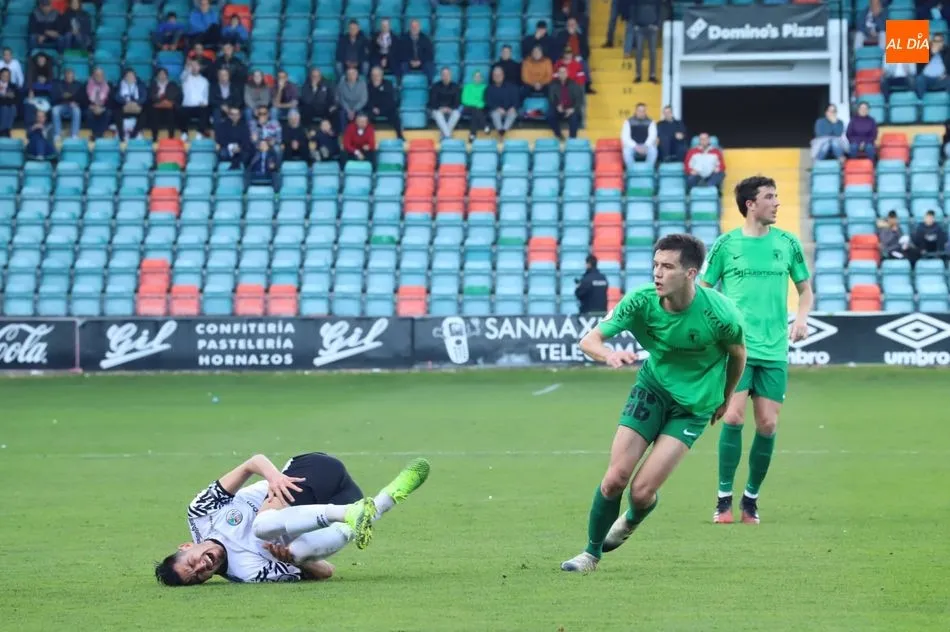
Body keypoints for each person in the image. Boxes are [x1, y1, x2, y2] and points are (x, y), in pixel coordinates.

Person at [560, 234, 747, 573]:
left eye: (668, 267)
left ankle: (633, 517)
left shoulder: (721, 314)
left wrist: (725, 397)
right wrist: (609, 354)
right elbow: (590, 340)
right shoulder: (641, 301)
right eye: (656, 265)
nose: (658, 273)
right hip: (652, 389)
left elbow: (738, 355)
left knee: (641, 492)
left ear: (690, 273)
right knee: (615, 478)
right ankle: (590, 555)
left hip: (692, 407)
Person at [699, 175, 813, 525]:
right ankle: (723, 499)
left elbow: (805, 290)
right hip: (737, 350)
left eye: (777, 196)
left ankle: (750, 499)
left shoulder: (788, 243)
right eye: (770, 196)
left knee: (767, 424)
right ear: (751, 204)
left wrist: (801, 319)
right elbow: (703, 289)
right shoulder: (725, 245)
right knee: (733, 417)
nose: (777, 202)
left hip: (775, 350)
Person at [154, 452, 430, 585]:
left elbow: (254, 462)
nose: (202, 566)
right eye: (199, 576)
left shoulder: (201, 513)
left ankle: (354, 513)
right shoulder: (248, 573)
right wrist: (294, 561)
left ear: (186, 546)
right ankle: (384, 500)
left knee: (263, 527)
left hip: (310, 474)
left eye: (192, 563)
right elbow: (327, 572)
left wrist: (274, 478)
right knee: (298, 552)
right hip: (344, 499)